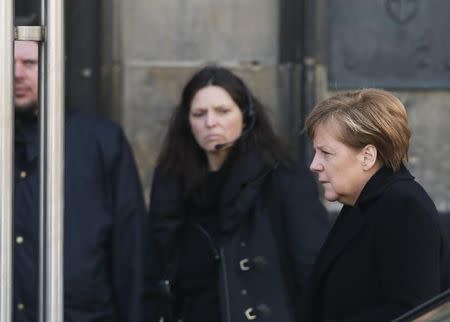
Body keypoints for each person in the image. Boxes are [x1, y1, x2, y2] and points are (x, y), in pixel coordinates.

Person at [143, 66, 330, 322]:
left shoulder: (282, 181)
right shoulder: (173, 188)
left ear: (245, 116)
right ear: (187, 122)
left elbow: (314, 272)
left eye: (222, 111)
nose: (211, 122)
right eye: (199, 113)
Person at [13, 40, 146, 322]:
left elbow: (131, 250)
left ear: (52, 68)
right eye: (8, 63)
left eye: (29, 63)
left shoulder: (101, 140)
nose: (17, 73)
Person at [301, 88, 450, 322]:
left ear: (368, 156)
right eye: (315, 152)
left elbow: (413, 312)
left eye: (326, 153)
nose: (314, 165)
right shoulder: (362, 204)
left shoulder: (403, 208)